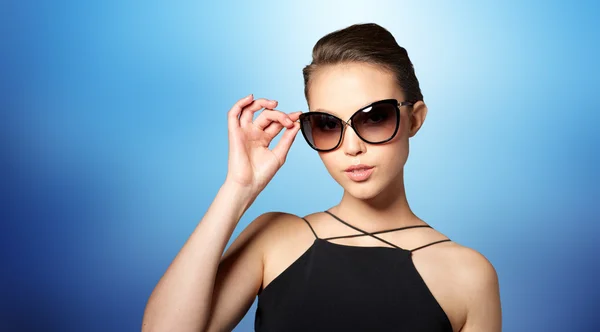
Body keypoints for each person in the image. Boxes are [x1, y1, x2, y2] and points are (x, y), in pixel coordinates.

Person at [142, 23, 502, 332]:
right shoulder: (275, 239)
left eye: (374, 117)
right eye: (328, 125)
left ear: (415, 119)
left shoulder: (468, 275)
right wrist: (238, 189)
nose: (352, 147)